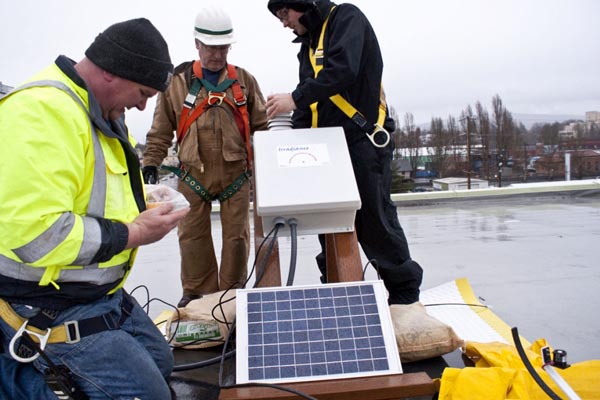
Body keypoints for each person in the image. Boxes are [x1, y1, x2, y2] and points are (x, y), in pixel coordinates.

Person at [0, 18, 189, 399]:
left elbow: (89, 195)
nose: (142, 105)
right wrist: (136, 233)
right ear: (109, 71)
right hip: (45, 303)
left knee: (161, 361)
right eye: (142, 92)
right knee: (150, 393)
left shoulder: (97, 113)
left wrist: (146, 201)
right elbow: (36, 234)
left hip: (96, 295)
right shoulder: (43, 112)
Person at [265, 0, 423, 305]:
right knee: (329, 222)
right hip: (329, 149)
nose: (284, 23)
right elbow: (311, 103)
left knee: (374, 221)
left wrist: (294, 99)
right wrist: (284, 144)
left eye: (285, 13)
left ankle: (405, 297)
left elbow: (343, 71)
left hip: (361, 140)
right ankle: (339, 293)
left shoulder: (346, 19)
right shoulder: (308, 46)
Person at [142, 6, 269, 308]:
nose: (217, 54)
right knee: (192, 238)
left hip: (236, 175)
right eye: (211, 47)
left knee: (237, 239)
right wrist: (150, 164)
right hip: (192, 175)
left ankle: (231, 297)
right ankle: (198, 296)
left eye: (223, 47)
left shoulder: (245, 82)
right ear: (197, 44)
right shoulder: (176, 83)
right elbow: (160, 130)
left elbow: (262, 129)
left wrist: (270, 168)